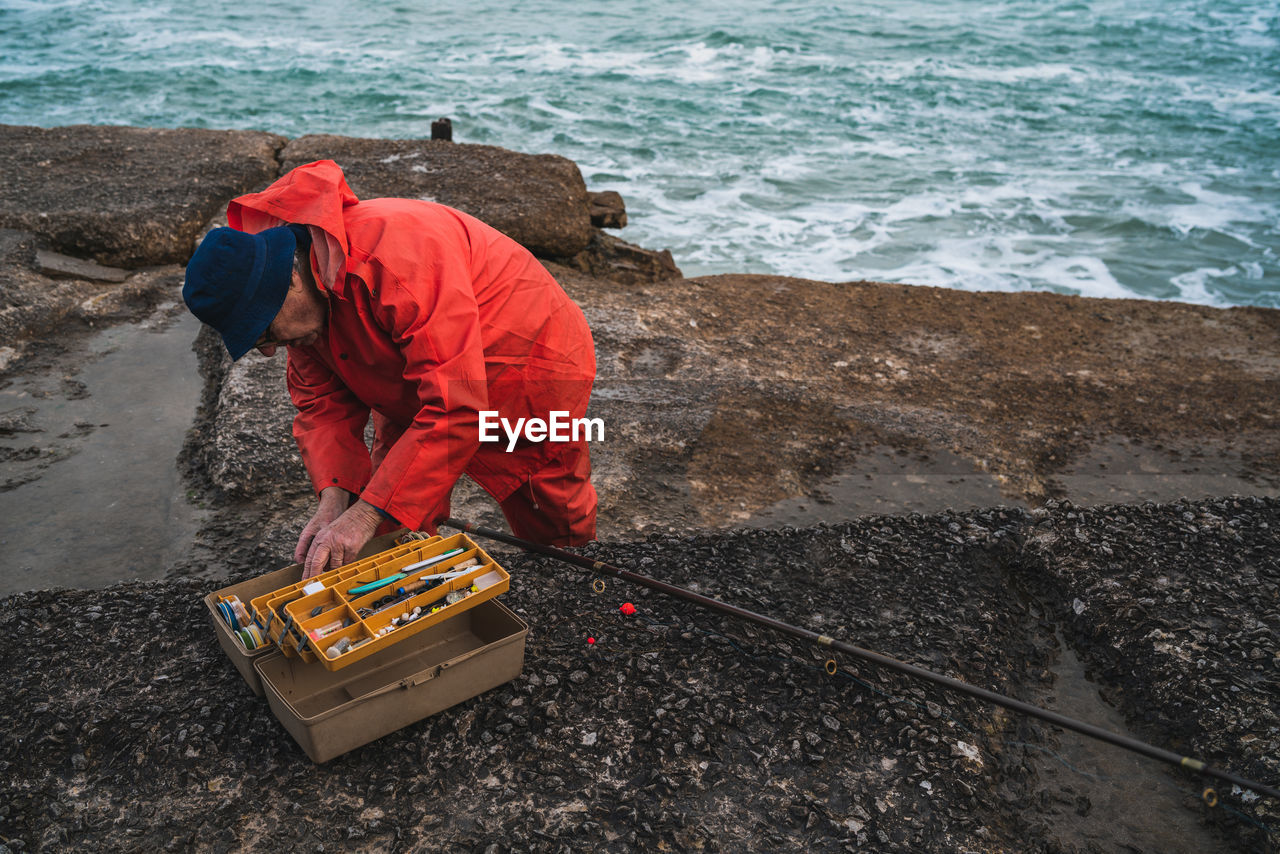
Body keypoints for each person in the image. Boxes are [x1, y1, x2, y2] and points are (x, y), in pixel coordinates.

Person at [183, 159, 598, 578]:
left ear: (289, 280)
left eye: (265, 332)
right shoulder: (300, 297)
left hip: (528, 361)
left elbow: (455, 409)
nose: (271, 353)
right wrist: (335, 498)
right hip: (410, 374)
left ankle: (572, 583)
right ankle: (409, 587)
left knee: (547, 498)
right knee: (389, 511)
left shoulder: (399, 260)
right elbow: (321, 404)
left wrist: (363, 514)